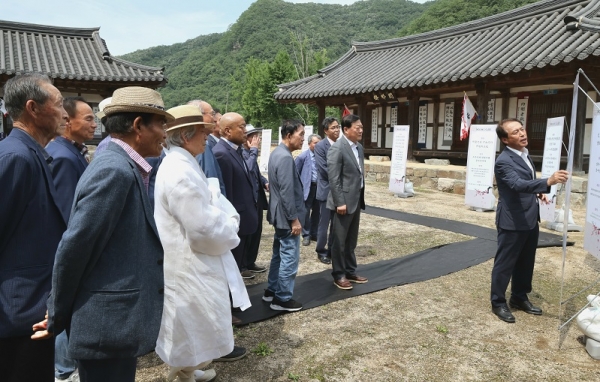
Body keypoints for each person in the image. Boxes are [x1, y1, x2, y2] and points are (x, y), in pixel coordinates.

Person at [47, 86, 172, 382]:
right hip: (107, 324)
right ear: (138, 125)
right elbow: (75, 247)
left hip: (114, 322)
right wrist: (57, 313)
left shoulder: (121, 165)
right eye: (160, 124)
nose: (165, 133)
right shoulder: (115, 170)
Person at [154, 105, 250, 382]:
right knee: (194, 327)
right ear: (186, 135)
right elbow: (203, 229)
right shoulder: (179, 171)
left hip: (190, 260)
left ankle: (189, 372)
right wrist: (230, 222)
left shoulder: (181, 162)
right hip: (191, 262)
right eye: (204, 132)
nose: (208, 137)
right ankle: (182, 376)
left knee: (194, 328)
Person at [0, 73, 68, 382]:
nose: (65, 113)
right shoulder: (16, 157)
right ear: (33, 108)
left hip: (33, 308)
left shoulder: (33, 154)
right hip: (16, 313)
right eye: (59, 104)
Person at [491, 118, 569, 323]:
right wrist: (547, 182)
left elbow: (525, 182)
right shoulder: (503, 161)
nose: (522, 134)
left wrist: (538, 193)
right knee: (505, 263)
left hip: (530, 216)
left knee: (526, 261)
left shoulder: (524, 154)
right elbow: (516, 184)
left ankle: (519, 297)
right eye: (516, 132)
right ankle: (498, 302)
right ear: (506, 140)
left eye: (522, 129)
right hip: (512, 220)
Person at [46, 96, 97, 382]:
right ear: (68, 122)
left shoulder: (72, 151)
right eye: (88, 118)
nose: (94, 123)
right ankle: (64, 371)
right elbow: (70, 216)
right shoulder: (64, 157)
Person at [263, 119, 305, 312]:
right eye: (301, 134)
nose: (303, 139)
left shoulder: (277, 153)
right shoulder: (286, 157)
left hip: (278, 214)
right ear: (289, 136)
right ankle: (282, 298)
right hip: (286, 217)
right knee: (289, 255)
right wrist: (294, 219)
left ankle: (271, 290)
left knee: (278, 255)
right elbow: (287, 192)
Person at [212, 112, 259, 279]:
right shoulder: (221, 154)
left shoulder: (235, 150)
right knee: (231, 270)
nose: (245, 131)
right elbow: (226, 195)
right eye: (242, 127)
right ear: (227, 131)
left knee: (237, 267)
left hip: (244, 219)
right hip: (235, 222)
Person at [328, 114, 368, 290]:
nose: (360, 130)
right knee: (339, 240)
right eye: (357, 127)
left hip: (356, 198)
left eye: (361, 127)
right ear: (346, 129)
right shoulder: (338, 148)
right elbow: (334, 177)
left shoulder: (358, 147)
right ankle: (339, 274)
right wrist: (339, 202)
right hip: (343, 202)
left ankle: (350, 270)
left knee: (351, 239)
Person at [242, 125, 269, 276]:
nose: (256, 140)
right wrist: (254, 150)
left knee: (257, 231)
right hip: (248, 199)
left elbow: (256, 172)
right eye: (253, 137)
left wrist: (265, 182)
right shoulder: (243, 153)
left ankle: (251, 261)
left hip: (257, 197)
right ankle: (243, 265)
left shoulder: (250, 153)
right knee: (248, 232)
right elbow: (249, 169)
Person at [314, 117, 340, 264]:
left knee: (336, 224)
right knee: (324, 223)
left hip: (340, 191)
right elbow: (323, 169)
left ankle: (332, 249)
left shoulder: (342, 145)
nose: (336, 130)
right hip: (326, 191)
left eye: (338, 127)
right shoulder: (320, 146)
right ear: (325, 131)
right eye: (333, 128)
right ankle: (321, 250)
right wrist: (340, 176)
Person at [188, 100, 226, 196]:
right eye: (212, 114)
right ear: (198, 115)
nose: (215, 119)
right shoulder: (201, 146)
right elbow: (212, 187)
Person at [295, 133, 322, 246]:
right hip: (307, 188)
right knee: (305, 212)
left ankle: (314, 233)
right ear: (309, 144)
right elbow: (295, 173)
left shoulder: (322, 156)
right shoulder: (302, 157)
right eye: (315, 143)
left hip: (319, 188)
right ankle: (306, 235)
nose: (317, 145)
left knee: (317, 212)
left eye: (319, 143)